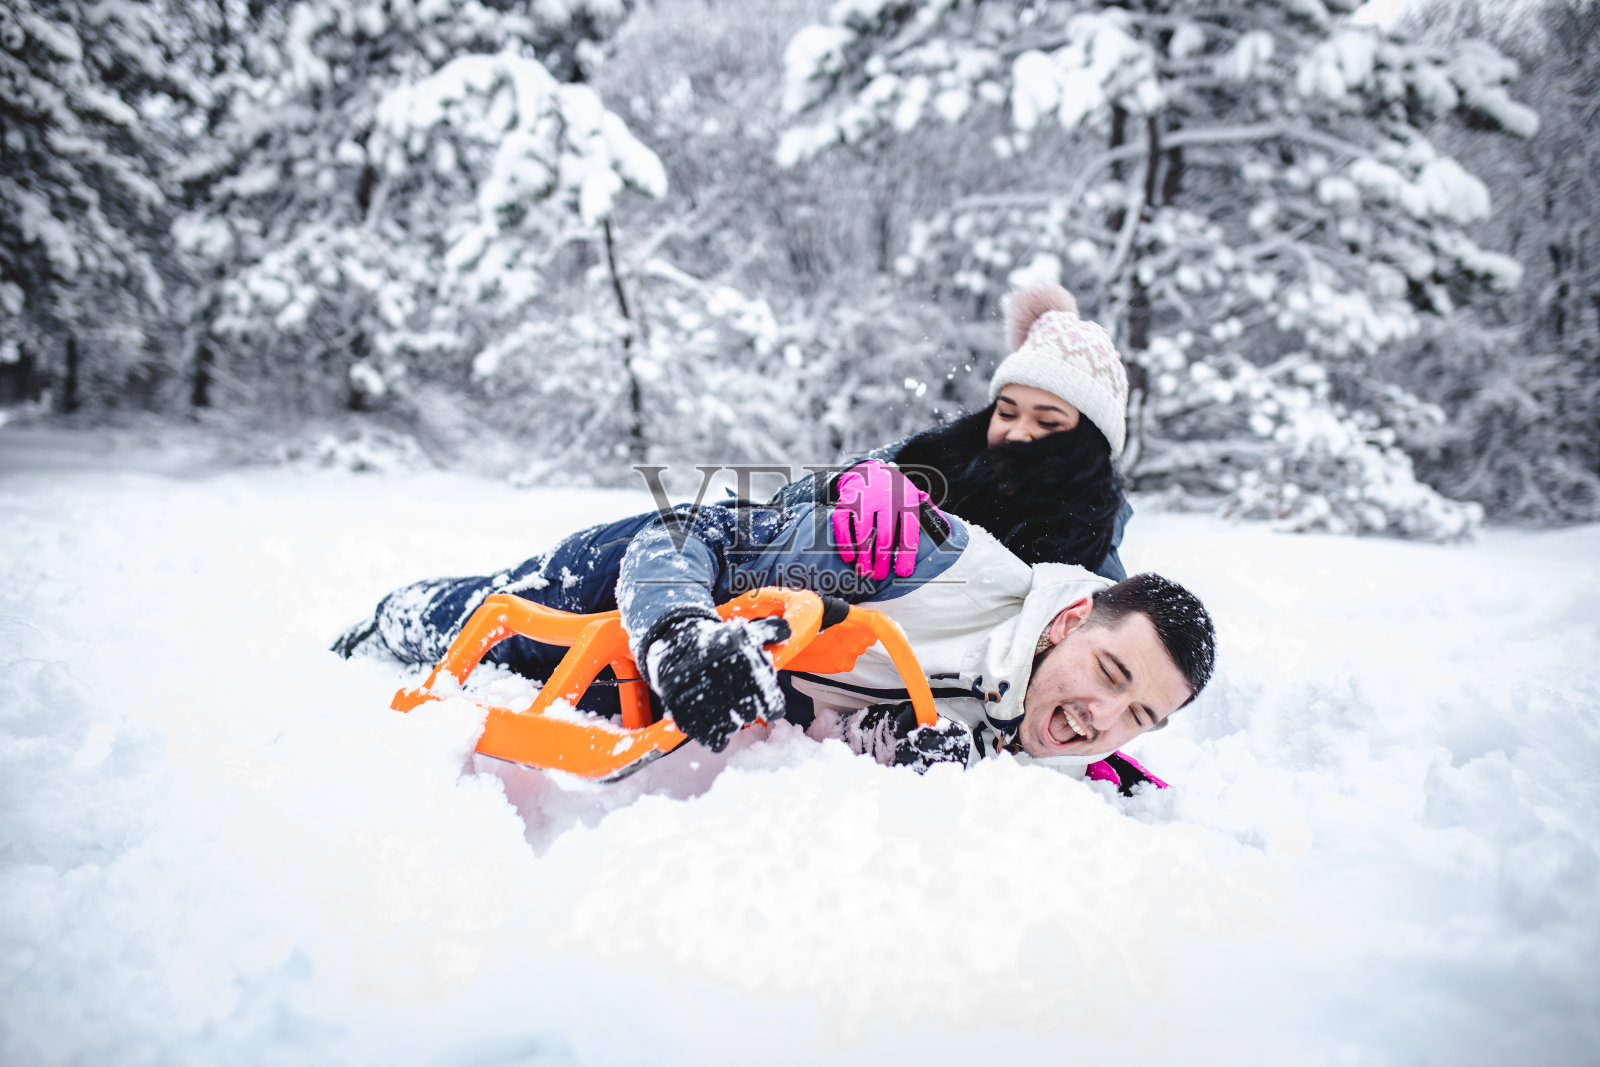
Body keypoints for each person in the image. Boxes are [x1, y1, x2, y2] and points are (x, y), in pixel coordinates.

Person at [333, 479, 1215, 784]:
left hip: (708, 679)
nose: (1104, 716)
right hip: (638, 588)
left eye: (1139, 713)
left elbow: (866, 704)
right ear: (1065, 622)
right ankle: (381, 615)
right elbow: (686, 538)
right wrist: (678, 633)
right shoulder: (929, 562)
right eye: (1108, 670)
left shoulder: (1050, 720)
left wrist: (907, 747)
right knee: (467, 620)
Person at [796, 281, 1134, 583]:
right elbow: (775, 511)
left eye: (1047, 422)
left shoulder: (1095, 574)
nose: (1017, 433)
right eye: (1006, 412)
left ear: (1089, 445)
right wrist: (848, 482)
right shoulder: (935, 458)